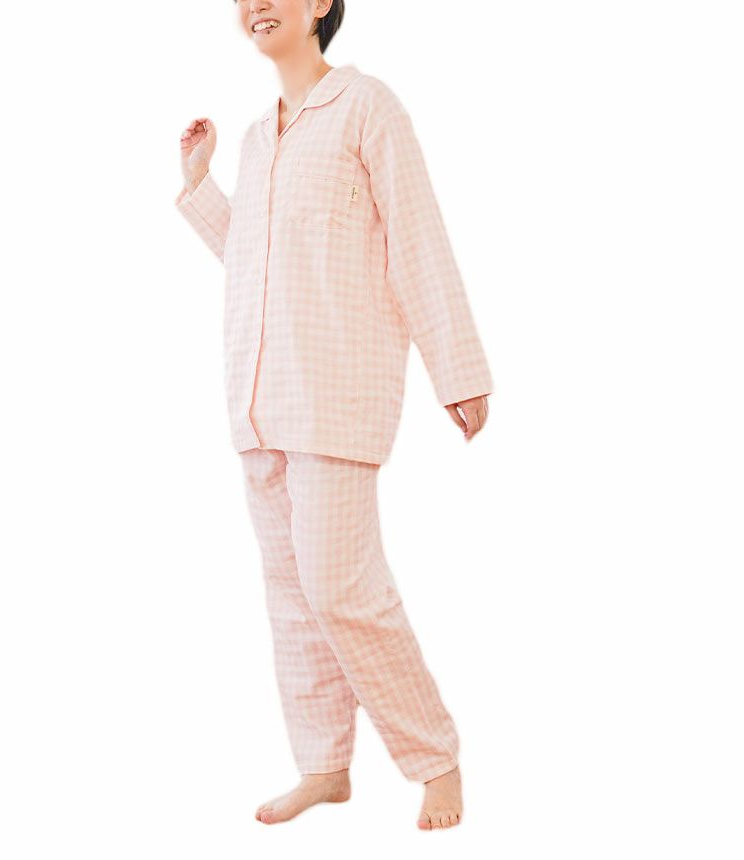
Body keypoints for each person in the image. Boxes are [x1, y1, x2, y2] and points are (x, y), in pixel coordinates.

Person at [176, 0, 493, 831]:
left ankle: (435, 760)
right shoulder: (257, 137)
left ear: (321, 3)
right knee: (291, 596)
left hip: (335, 389)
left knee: (340, 588)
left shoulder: (367, 106)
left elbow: (417, 238)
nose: (256, 4)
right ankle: (323, 765)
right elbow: (254, 257)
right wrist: (200, 186)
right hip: (258, 396)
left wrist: (457, 369)